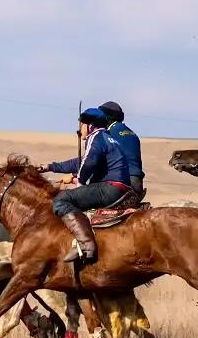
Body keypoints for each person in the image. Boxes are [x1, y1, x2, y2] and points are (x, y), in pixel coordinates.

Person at [40, 107, 131, 262]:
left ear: (90, 125)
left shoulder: (96, 137)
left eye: (81, 124)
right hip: (119, 187)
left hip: (109, 188)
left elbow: (89, 163)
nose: (79, 129)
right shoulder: (108, 138)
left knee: (61, 200)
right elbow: (80, 161)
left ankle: (86, 245)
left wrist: (80, 182)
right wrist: (50, 167)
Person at [98, 101, 144, 196]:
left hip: (120, 184)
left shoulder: (108, 134)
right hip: (138, 185)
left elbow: (95, 160)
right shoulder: (133, 134)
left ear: (106, 118)